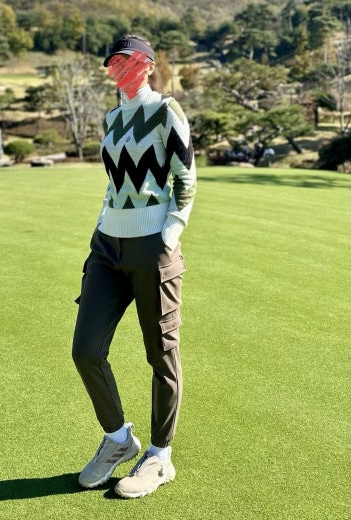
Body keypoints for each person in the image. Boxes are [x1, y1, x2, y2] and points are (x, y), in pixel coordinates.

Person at [72, 35, 197, 498]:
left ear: (145, 64)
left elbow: (186, 175)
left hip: (153, 245)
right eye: (111, 62)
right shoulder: (111, 118)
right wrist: (100, 232)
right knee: (86, 350)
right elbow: (114, 184)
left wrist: (169, 233)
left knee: (160, 354)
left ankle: (160, 457)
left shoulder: (165, 110)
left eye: (124, 60)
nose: (116, 68)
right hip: (107, 247)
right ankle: (118, 439)